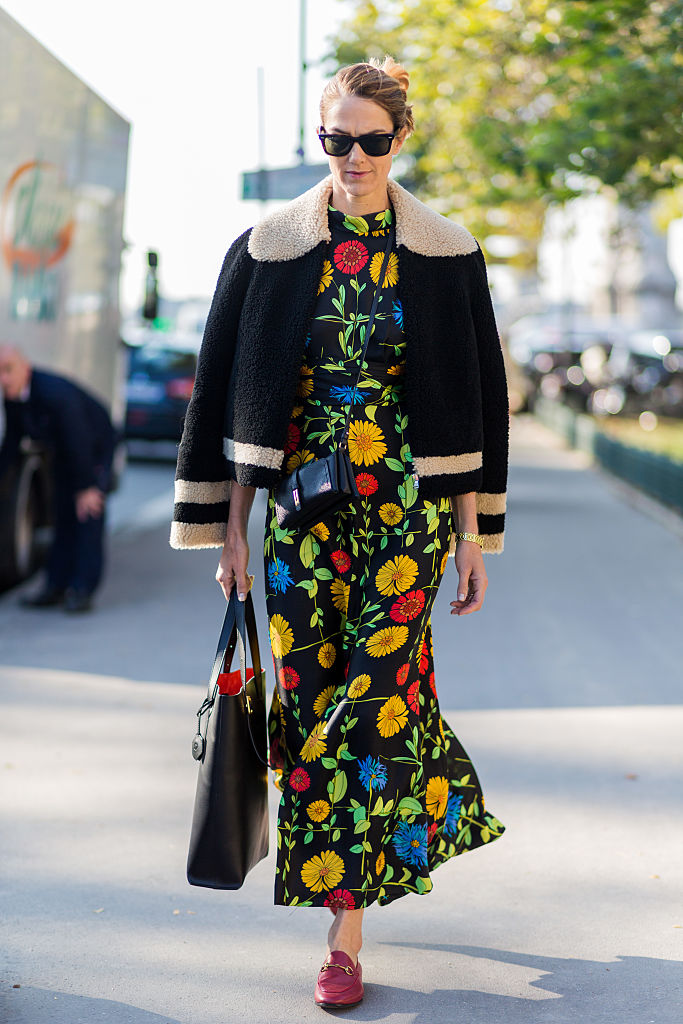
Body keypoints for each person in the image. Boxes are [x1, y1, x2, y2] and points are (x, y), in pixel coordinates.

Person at [170, 56, 509, 1009]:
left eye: (371, 140)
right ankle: (429, 808)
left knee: (374, 701)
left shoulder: (445, 252)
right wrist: (231, 530)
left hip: (406, 515)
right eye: (336, 139)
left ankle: (343, 930)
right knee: (309, 704)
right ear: (319, 139)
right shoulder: (268, 248)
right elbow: (227, 391)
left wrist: (471, 534)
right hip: (302, 517)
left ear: (400, 139)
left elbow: (476, 402)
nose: (353, 157)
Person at [0, 345, 116, 612]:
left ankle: (82, 590)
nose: (3, 379)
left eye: (8, 370)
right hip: (66, 452)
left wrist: (87, 486)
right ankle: (55, 587)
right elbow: (12, 443)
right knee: (62, 515)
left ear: (25, 369)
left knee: (87, 514)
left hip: (94, 448)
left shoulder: (54, 393)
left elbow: (79, 439)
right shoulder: (13, 394)